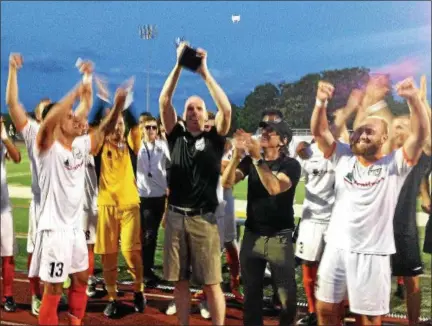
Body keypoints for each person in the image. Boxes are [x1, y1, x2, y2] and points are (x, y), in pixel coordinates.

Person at [311, 77, 429, 326]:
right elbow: (320, 132)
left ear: (385, 138)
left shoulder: (394, 165)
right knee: (325, 309)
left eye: (370, 131)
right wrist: (320, 102)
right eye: (359, 130)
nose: (361, 134)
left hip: (373, 254)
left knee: (369, 317)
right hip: (336, 248)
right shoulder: (343, 157)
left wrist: (413, 100)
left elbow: (419, 135)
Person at [28, 79, 125, 325]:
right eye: (69, 116)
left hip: (74, 231)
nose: (75, 119)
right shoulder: (47, 148)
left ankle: (75, 322)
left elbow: (104, 129)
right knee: (53, 290)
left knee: (81, 279)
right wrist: (77, 93)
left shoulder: (80, 146)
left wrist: (116, 107)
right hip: (54, 232)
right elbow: (48, 125)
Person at [5, 53, 92, 315]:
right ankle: (36, 297)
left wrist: (87, 77)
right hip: (44, 212)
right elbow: (12, 103)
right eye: (48, 112)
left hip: (68, 218)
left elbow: (83, 109)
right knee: (35, 256)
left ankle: (57, 300)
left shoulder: (68, 137)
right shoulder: (35, 134)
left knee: (74, 275)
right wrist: (12, 71)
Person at [159, 41, 231, 326]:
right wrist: (178, 64)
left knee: (212, 283)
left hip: (204, 220)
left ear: (206, 115)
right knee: (180, 281)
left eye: (199, 108)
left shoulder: (214, 139)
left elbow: (225, 109)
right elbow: (165, 102)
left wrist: (204, 73)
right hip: (176, 217)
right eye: (189, 108)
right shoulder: (175, 135)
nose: (193, 112)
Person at [222, 120, 300, 326]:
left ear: (283, 141)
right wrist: (237, 157)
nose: (264, 133)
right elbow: (227, 182)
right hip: (252, 235)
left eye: (271, 132)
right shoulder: (250, 162)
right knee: (251, 296)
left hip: (279, 238)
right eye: (263, 129)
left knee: (286, 299)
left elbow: (274, 187)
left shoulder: (290, 165)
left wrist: (256, 157)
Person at [92, 78, 146, 318]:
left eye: (120, 124)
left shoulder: (133, 143)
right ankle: (113, 297)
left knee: (130, 251)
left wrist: (126, 100)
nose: (117, 128)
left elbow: (135, 124)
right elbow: (95, 124)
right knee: (109, 256)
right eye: (113, 124)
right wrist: (102, 99)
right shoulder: (100, 146)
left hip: (129, 205)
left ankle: (138, 289)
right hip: (106, 205)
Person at [294, 139, 335, 326]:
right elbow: (292, 175)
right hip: (311, 221)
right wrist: (296, 153)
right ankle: (312, 312)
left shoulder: (345, 150)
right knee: (308, 268)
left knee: (336, 272)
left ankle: (336, 316)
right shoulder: (308, 151)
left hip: (336, 221)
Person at [137, 115, 170, 286]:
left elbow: (172, 165)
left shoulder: (163, 146)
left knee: (154, 233)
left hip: (160, 196)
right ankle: (145, 270)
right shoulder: (137, 147)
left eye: (154, 127)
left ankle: (146, 268)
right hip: (144, 196)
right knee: (148, 234)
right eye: (148, 127)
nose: (151, 131)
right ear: (141, 129)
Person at [0, 116, 21, 312]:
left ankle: (8, 295)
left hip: (3, 206)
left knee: (8, 254)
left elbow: (17, 157)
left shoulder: (2, 140)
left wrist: (5, 137)